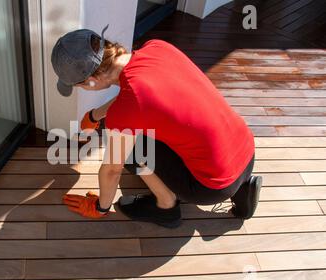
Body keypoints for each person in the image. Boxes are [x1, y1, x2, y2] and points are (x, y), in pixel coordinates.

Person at [51, 27, 262, 228]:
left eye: (78, 85)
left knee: (127, 147)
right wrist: (94, 115)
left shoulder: (127, 107)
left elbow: (111, 171)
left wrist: (100, 207)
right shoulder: (157, 47)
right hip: (245, 152)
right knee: (140, 129)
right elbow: (135, 96)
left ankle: (165, 206)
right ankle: (242, 189)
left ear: (90, 81)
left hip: (210, 187)